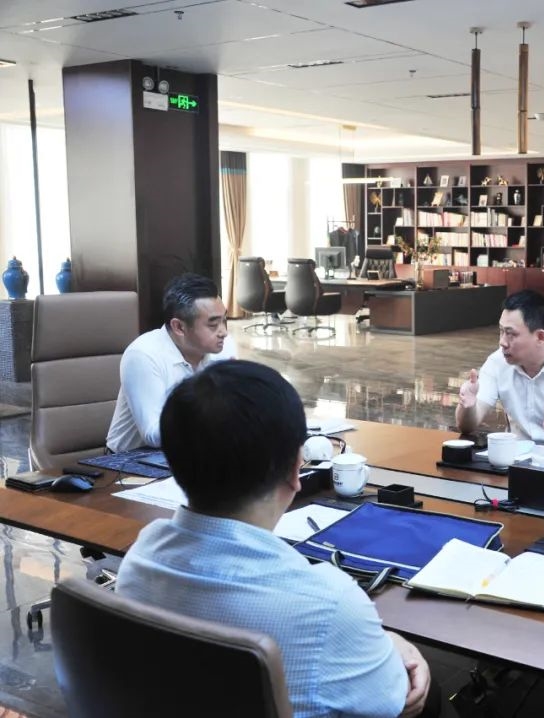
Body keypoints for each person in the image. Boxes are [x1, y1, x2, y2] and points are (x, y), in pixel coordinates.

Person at [115, 360, 435, 718]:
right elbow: (395, 701)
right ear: (296, 469)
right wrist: (394, 643)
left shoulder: (140, 559)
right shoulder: (329, 604)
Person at [106, 273, 236, 453]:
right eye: (213, 325)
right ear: (179, 327)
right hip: (131, 460)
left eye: (224, 320)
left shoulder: (224, 347)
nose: (223, 332)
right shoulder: (143, 355)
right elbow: (153, 434)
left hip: (195, 450)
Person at [456, 290, 544, 450]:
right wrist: (467, 406)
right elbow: (466, 426)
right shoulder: (497, 362)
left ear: (540, 337)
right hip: (518, 458)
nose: (502, 342)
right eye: (501, 331)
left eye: (510, 334)